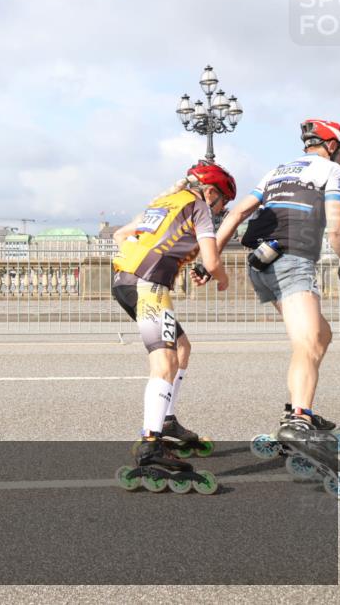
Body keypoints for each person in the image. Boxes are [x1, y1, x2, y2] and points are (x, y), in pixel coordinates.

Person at [215, 119, 340, 467]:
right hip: (292, 260)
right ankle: (299, 420)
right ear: (332, 146)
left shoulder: (277, 171)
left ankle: (298, 406)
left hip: (261, 264)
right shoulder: (330, 171)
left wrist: (210, 257)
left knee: (321, 334)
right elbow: (337, 227)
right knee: (307, 343)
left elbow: (239, 211)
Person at [112, 161, 235, 476]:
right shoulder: (198, 206)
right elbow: (211, 258)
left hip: (125, 279)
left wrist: (138, 259)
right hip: (149, 286)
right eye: (223, 201)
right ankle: (151, 444)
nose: (222, 209)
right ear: (211, 192)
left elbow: (121, 235)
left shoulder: (163, 202)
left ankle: (165, 419)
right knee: (164, 363)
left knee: (182, 348)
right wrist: (222, 277)